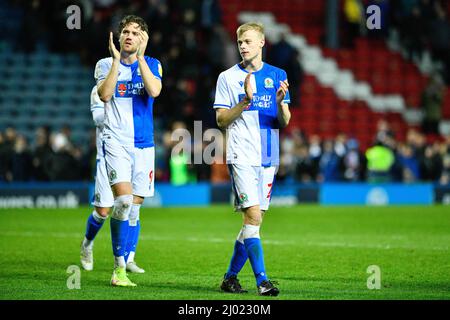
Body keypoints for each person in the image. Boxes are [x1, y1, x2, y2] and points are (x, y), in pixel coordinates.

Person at [213, 22, 291, 296]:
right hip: (242, 154)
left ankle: (230, 278)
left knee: (252, 222)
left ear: (261, 42)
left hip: (269, 153)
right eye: (240, 42)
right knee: (254, 216)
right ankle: (263, 281)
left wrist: (281, 102)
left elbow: (284, 121)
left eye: (248, 41)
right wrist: (245, 102)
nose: (243, 46)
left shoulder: (278, 74)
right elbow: (221, 119)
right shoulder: (227, 78)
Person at [94, 15, 162, 287]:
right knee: (122, 202)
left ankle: (129, 257)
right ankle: (118, 267)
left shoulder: (153, 64)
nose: (129, 36)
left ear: (143, 38)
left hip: (144, 145)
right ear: (119, 36)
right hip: (116, 143)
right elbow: (105, 95)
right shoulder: (104, 64)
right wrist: (115, 63)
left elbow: (154, 90)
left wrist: (142, 59)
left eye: (135, 32)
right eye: (125, 32)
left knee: (134, 207)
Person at [79, 85, 145, 274]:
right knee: (102, 211)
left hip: (135, 150)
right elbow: (98, 118)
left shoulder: (133, 83)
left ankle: (128, 258)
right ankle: (87, 244)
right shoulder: (100, 87)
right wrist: (120, 112)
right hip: (108, 154)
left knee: (133, 205)